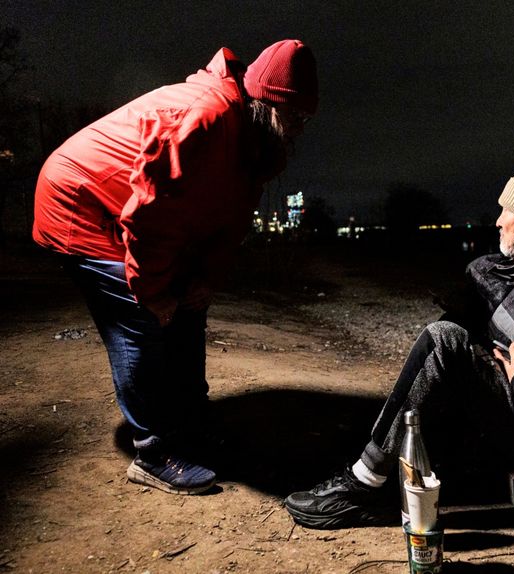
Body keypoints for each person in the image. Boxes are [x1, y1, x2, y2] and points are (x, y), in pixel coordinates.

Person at [284, 165, 514, 529]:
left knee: (443, 341)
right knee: (450, 345)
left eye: (507, 211)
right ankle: (388, 472)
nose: (497, 220)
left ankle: (361, 487)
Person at [32, 39, 318, 495]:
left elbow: (230, 219)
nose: (300, 130)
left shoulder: (255, 141)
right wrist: (152, 290)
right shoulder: (206, 119)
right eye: (296, 117)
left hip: (130, 211)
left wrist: (205, 280)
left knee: (188, 307)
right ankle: (153, 450)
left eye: (307, 120)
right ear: (267, 101)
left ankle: (192, 426)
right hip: (81, 203)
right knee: (140, 319)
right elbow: (153, 214)